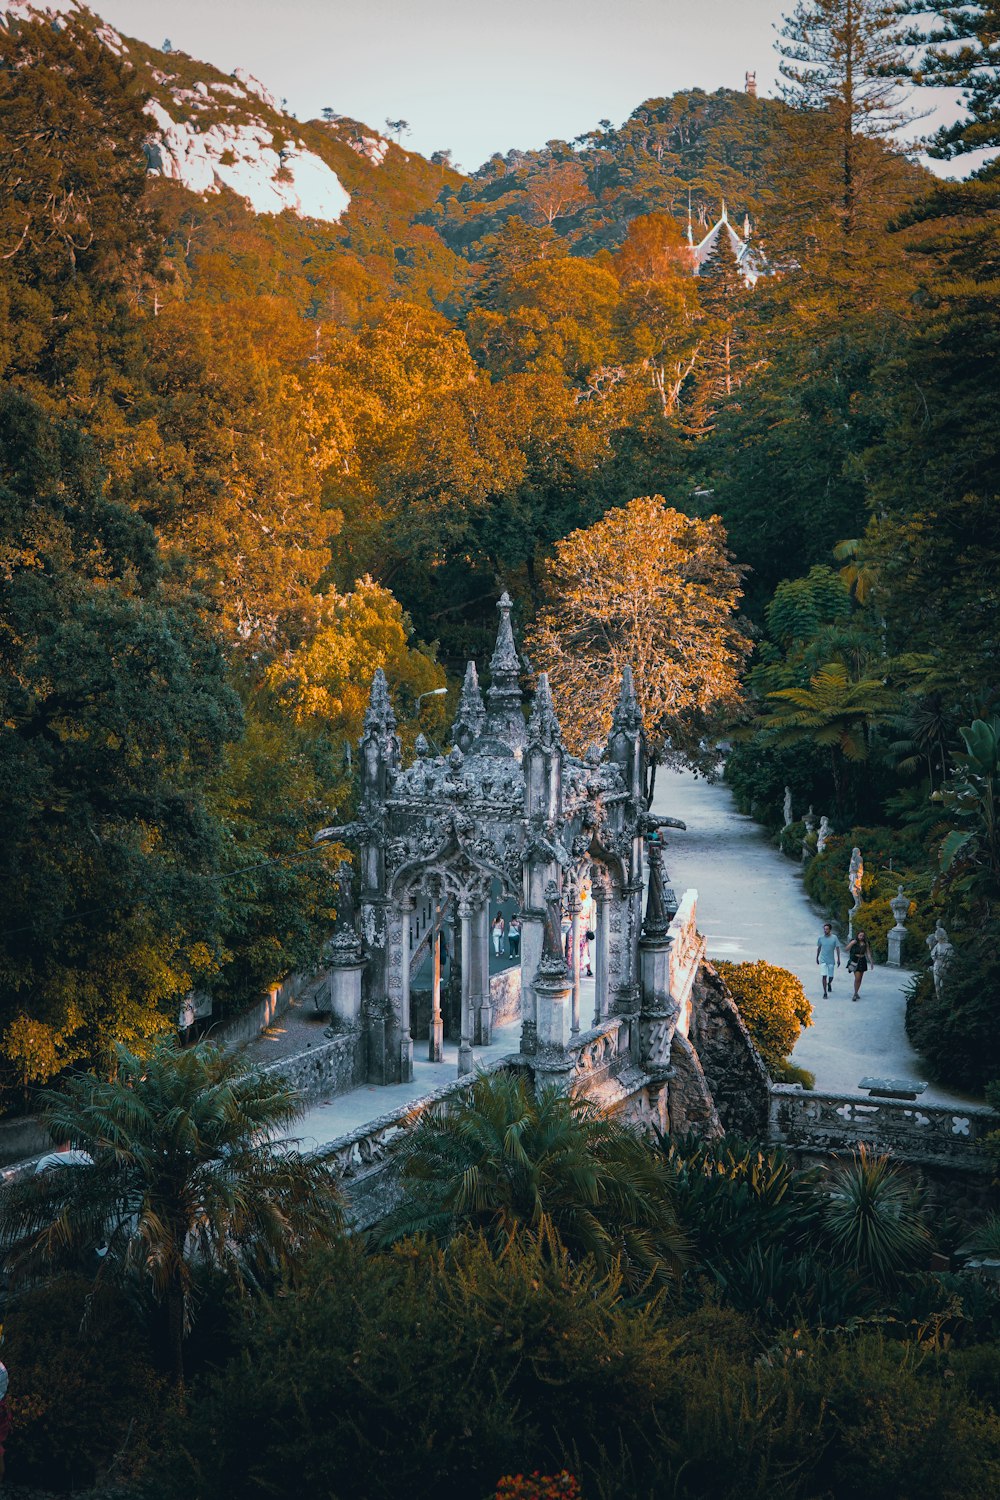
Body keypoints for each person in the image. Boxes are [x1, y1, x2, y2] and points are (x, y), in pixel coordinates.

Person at [846, 929, 874, 1000]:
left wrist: (871, 962)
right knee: (857, 978)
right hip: (855, 960)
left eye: (863, 936)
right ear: (857, 935)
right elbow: (846, 949)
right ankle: (855, 994)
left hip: (862, 960)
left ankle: (856, 992)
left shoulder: (865, 943)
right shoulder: (854, 942)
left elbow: (868, 953)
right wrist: (852, 943)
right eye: (860, 935)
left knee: (860, 979)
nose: (861, 937)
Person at [816, 922, 840, 997]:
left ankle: (829, 983)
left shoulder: (834, 938)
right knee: (824, 976)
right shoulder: (821, 938)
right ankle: (825, 992)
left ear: (830, 930)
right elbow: (819, 948)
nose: (825, 931)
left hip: (831, 961)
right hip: (823, 960)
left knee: (831, 976)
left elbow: (837, 948)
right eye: (824, 929)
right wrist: (817, 957)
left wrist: (838, 959)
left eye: (827, 929)